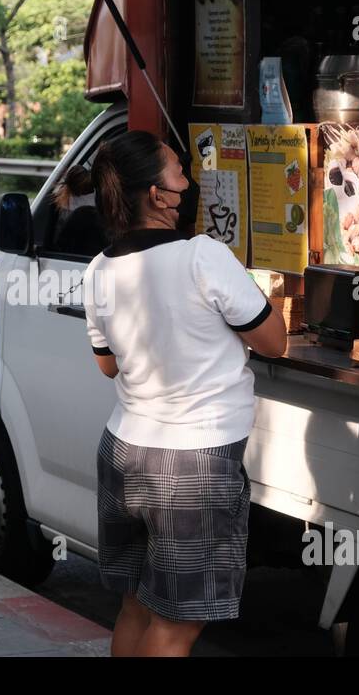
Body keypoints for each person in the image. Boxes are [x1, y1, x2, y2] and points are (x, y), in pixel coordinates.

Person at [59, 130, 287, 657]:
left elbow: (108, 365)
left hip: (123, 452)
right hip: (193, 463)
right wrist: (256, 301)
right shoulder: (203, 256)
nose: (189, 180)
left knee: (136, 606)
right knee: (177, 625)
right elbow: (273, 341)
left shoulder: (98, 269)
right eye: (178, 172)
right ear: (158, 196)